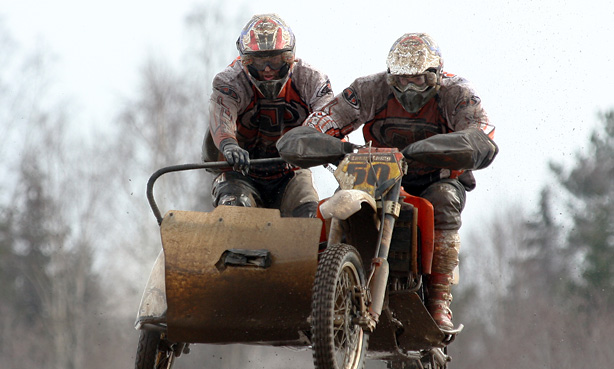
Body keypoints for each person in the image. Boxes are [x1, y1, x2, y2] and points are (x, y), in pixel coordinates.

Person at [303, 33, 498, 330]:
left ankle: (439, 300)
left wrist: (449, 147)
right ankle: (322, 287)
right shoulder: (370, 89)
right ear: (390, 76)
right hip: (377, 173)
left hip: (435, 178)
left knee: (444, 201)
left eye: (418, 79)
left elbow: (481, 132)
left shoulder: (457, 93)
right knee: (342, 193)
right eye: (401, 79)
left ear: (435, 74)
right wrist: (316, 138)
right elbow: (324, 120)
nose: (409, 88)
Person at [203, 13, 335, 218]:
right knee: (233, 211)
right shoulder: (228, 81)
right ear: (245, 60)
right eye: (258, 61)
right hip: (240, 173)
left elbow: (331, 118)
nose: (267, 70)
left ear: (289, 57)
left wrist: (335, 149)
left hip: (291, 173)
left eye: (274, 60)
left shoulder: (311, 80)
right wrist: (229, 145)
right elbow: (222, 116)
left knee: (309, 220)